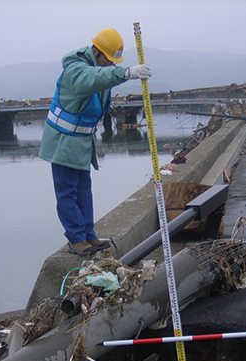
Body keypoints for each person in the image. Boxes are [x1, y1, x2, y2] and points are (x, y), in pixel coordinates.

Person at [39, 28, 152, 256]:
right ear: (97, 52)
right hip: (63, 142)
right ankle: (76, 239)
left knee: (84, 191)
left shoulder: (97, 67)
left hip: (81, 142)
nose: (110, 66)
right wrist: (126, 72)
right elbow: (93, 79)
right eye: (108, 61)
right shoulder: (76, 71)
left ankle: (88, 234)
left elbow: (101, 80)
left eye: (113, 63)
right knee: (67, 192)